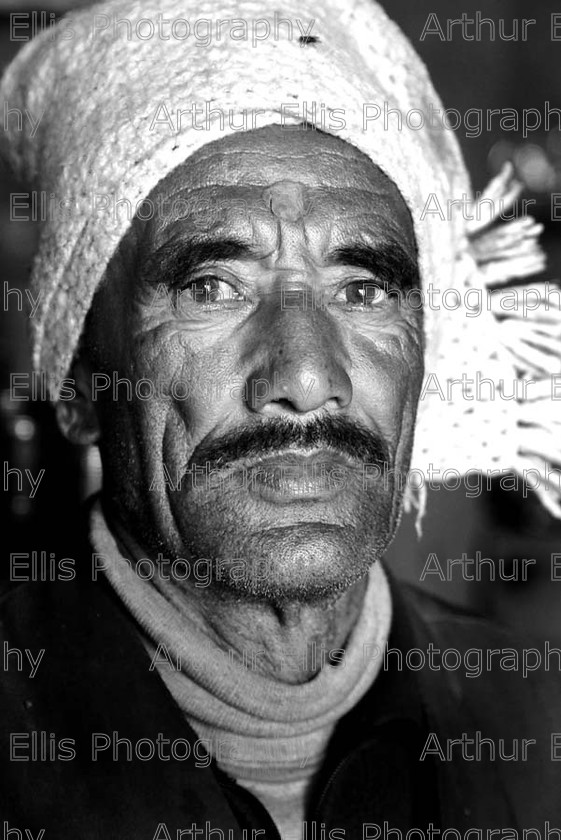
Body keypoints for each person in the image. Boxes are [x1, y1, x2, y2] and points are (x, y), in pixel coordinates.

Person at [1, 0, 560, 836]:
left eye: (362, 290)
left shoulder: (537, 712)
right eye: (212, 288)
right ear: (81, 381)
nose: (304, 377)